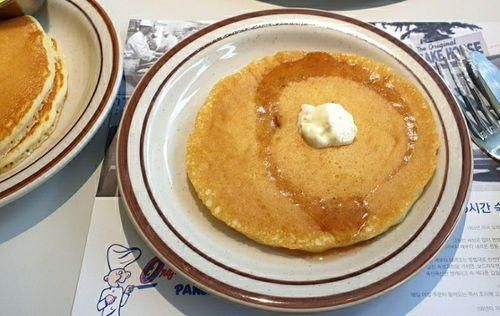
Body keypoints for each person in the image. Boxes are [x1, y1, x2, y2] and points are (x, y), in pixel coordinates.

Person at [96, 244, 142, 316]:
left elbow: (121, 303)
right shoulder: (106, 291)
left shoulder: (120, 290)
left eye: (120, 274)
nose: (118, 276)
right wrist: (105, 301)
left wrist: (126, 293)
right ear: (107, 277)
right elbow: (99, 307)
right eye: (117, 273)